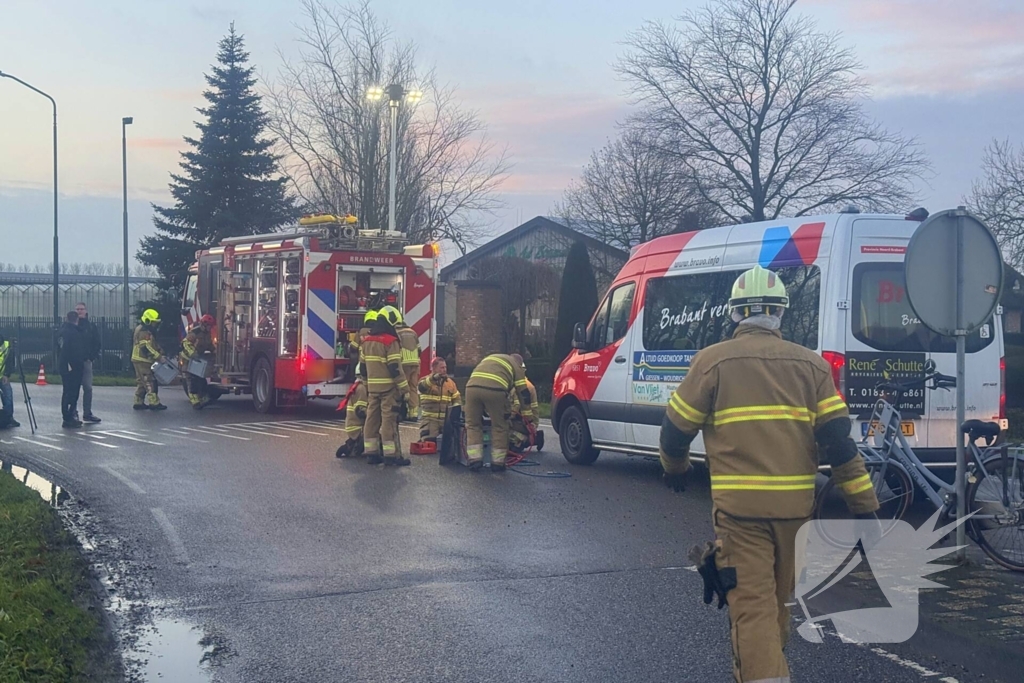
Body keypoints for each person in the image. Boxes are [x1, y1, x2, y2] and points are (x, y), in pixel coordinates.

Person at [657, 265, 880, 683]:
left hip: (740, 517)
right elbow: (839, 445)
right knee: (776, 604)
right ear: (780, 312)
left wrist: (676, 469)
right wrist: (864, 511)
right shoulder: (812, 367)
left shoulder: (712, 363)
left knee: (753, 609)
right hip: (795, 514)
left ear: (734, 315)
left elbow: (674, 432)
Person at [465, 353, 532, 472]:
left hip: (471, 389)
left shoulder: (491, 358)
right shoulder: (516, 367)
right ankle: (498, 463)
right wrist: (528, 416)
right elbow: (523, 393)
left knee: (473, 425)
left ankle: (475, 460)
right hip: (495, 391)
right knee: (500, 426)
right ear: (520, 364)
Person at [360, 310, 411, 466]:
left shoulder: (367, 341)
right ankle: (391, 456)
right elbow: (395, 367)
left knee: (371, 420)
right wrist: (404, 390)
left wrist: (367, 384)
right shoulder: (390, 341)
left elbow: (362, 367)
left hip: (373, 388)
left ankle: (371, 453)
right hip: (389, 389)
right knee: (388, 421)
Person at [382, 306, 421, 421]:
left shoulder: (396, 332)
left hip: (403, 363)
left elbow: (394, 349)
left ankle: (399, 412)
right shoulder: (412, 332)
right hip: (415, 363)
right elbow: (419, 349)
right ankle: (413, 413)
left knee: (401, 388)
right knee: (413, 388)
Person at [131, 309, 168, 411]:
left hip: (140, 359)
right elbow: (146, 347)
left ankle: (138, 402)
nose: (155, 325)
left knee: (141, 382)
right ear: (148, 321)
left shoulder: (145, 330)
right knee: (149, 381)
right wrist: (159, 357)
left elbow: (152, 344)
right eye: (154, 322)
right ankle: (154, 403)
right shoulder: (143, 331)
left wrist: (160, 350)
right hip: (142, 360)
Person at [417, 357, 460, 440]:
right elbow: (421, 387)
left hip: (446, 423)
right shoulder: (425, 380)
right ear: (434, 368)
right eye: (442, 368)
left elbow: (457, 399)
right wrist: (433, 379)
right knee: (429, 446)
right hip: (430, 422)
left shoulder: (451, 383)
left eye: (445, 367)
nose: (444, 370)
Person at [180, 314, 216, 409]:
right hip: (188, 359)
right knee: (192, 381)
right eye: (209, 326)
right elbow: (185, 343)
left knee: (200, 379)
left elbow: (208, 344)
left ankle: (204, 398)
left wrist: (214, 350)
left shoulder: (206, 334)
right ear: (204, 324)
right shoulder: (194, 332)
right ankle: (195, 402)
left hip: (197, 360)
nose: (210, 328)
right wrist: (193, 354)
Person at [74, 302, 102, 423]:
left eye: (81, 309)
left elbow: (97, 343)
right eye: (77, 309)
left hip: (86, 361)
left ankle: (87, 412)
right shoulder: (71, 326)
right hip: (74, 362)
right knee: (73, 388)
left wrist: (92, 357)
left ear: (86, 311)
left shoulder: (91, 327)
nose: (79, 311)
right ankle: (73, 412)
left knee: (88, 388)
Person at [58, 311, 86, 428]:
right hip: (73, 367)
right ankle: (69, 417)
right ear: (77, 320)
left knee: (67, 391)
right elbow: (75, 352)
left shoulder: (61, 332)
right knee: (72, 392)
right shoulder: (73, 333)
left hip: (64, 366)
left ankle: (68, 416)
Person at [336, 365, 369, 458]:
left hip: (352, 425)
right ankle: (353, 447)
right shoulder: (362, 388)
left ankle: (350, 445)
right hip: (356, 427)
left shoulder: (357, 386)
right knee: (374, 434)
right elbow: (361, 410)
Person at [509, 377, 540, 452]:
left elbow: (517, 406)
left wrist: (507, 417)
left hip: (525, 422)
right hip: (529, 421)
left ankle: (525, 439)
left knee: (501, 429)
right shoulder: (526, 384)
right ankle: (534, 437)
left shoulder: (518, 386)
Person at [0, 333, 20, 429]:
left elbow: (10, 361)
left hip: (2, 375)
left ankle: (8, 417)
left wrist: (6, 375)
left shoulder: (6, 345)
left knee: (8, 394)